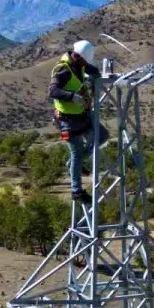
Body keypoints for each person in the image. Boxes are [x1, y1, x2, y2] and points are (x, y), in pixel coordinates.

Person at [49, 40, 109, 201]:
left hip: (82, 116)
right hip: (68, 120)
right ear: (78, 56)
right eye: (85, 60)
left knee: (103, 135)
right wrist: (72, 97)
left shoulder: (79, 64)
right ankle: (76, 191)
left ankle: (76, 163)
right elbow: (53, 91)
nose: (86, 64)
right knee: (76, 153)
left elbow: (93, 70)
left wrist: (94, 81)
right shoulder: (63, 70)